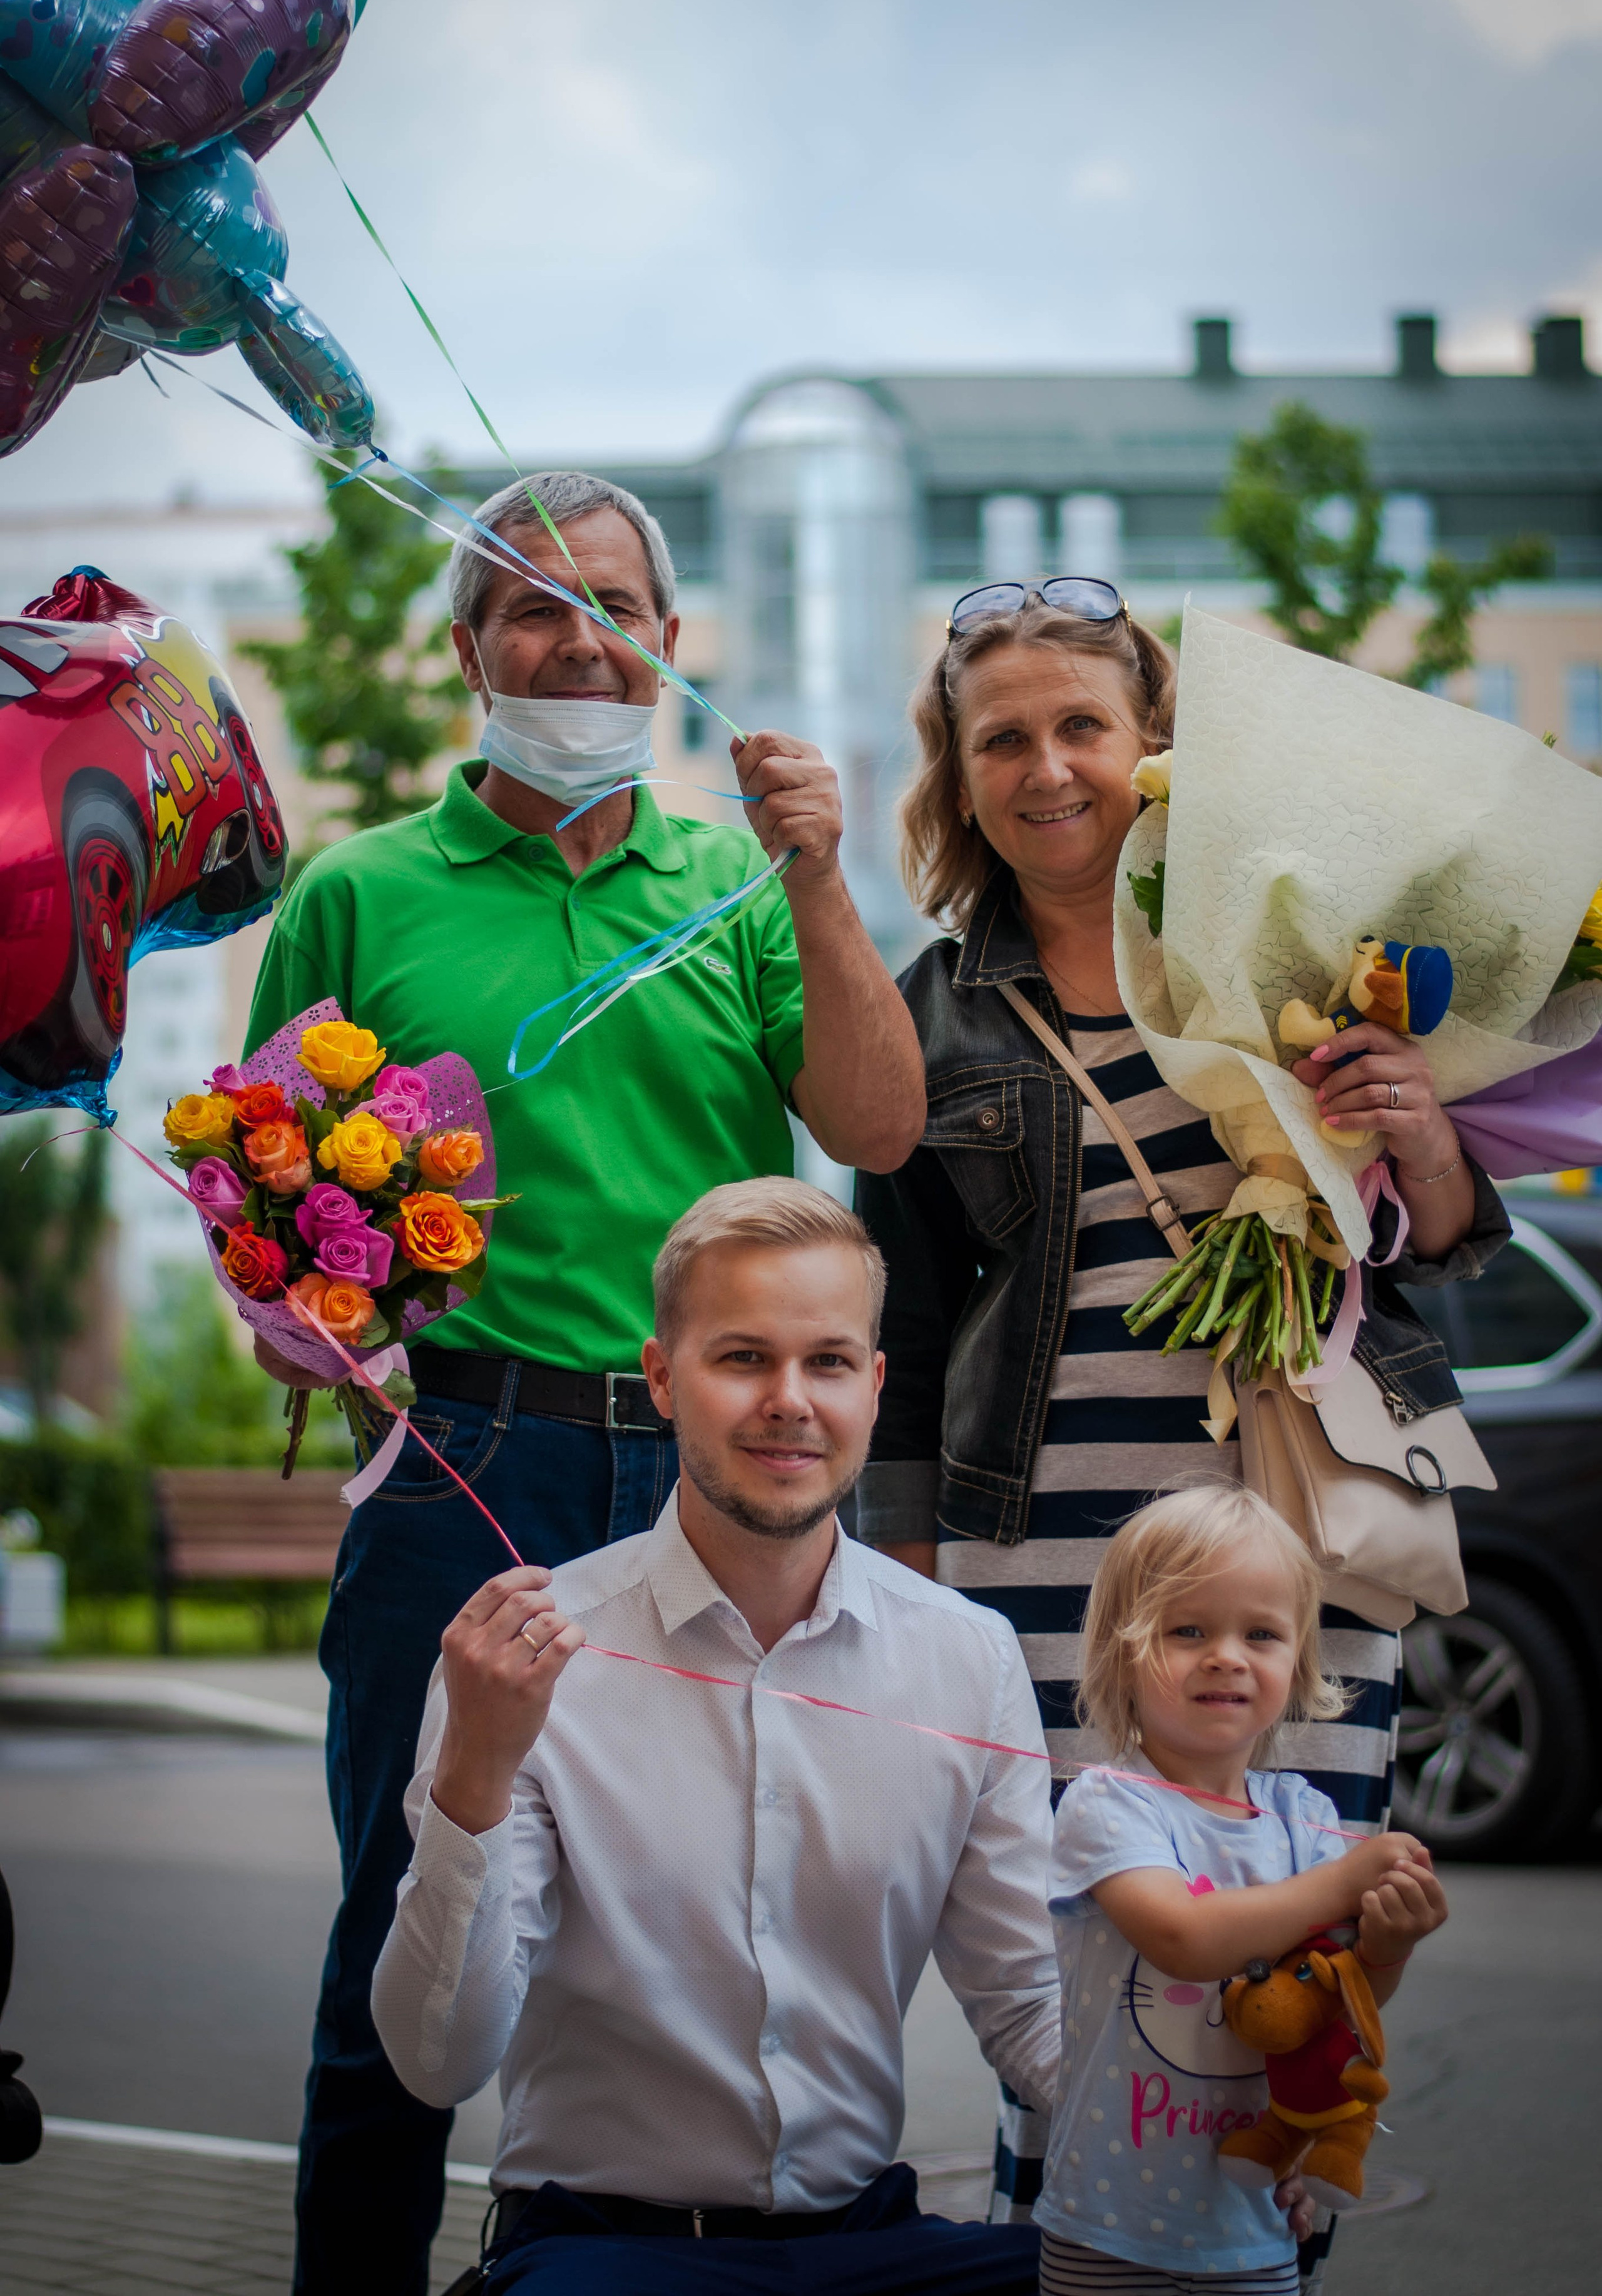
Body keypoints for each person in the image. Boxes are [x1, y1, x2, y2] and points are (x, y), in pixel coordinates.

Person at [245, 473, 926, 2295]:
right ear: (468, 651)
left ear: (671, 645)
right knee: (403, 1938)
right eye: (531, 607)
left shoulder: (738, 884)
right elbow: (270, 1206)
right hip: (469, 1464)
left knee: (718, 1933)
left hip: (732, 1485)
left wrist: (818, 881)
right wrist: (292, 1320)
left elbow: (875, 1124)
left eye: (611, 602)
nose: (575, 637)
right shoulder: (354, 891)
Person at [852, 577, 1508, 2217]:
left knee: (1302, 1949)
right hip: (1044, 1551)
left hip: (1304, 1536)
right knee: (1084, 1974)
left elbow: (1436, 1250)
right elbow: (911, 1328)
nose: (1046, 766)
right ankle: (1067, 2244)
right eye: (1001, 738)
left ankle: (1263, 2255)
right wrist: (912, 1590)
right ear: (959, 771)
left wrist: (1418, 1126)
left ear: (1157, 750)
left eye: (1084, 724)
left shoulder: (1289, 948)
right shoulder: (928, 1011)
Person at [371, 1179, 1058, 2294]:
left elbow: (1028, 2004)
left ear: (876, 1388)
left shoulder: (967, 1656)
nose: (791, 1400)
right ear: (660, 1380)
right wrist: (475, 1780)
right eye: (743, 1359)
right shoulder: (526, 1662)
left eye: (829, 1362)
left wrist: (1199, 2131)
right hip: (610, 2254)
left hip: (862, 2246)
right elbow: (435, 2061)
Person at [1038, 1485, 1447, 2295]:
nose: (1226, 1654)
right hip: (1109, 2222)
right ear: (1124, 1650)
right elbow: (1183, 1941)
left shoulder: (1306, 1819)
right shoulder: (1110, 1804)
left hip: (1253, 2218)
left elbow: (1335, 1997)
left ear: (1298, 1660)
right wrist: (1341, 1883)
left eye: (1261, 1633)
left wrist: (1387, 1946)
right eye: (1188, 1630)